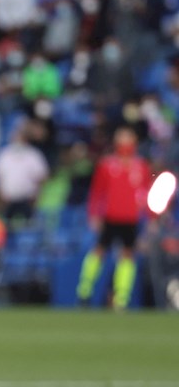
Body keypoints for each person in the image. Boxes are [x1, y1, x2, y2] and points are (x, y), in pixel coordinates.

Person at [77, 126, 152, 310]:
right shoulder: (107, 165)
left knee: (127, 255)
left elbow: (148, 194)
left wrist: (151, 219)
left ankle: (121, 298)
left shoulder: (141, 166)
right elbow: (97, 192)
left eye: (128, 136)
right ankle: (85, 291)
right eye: (121, 137)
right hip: (110, 217)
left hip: (131, 218)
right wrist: (94, 215)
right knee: (99, 252)